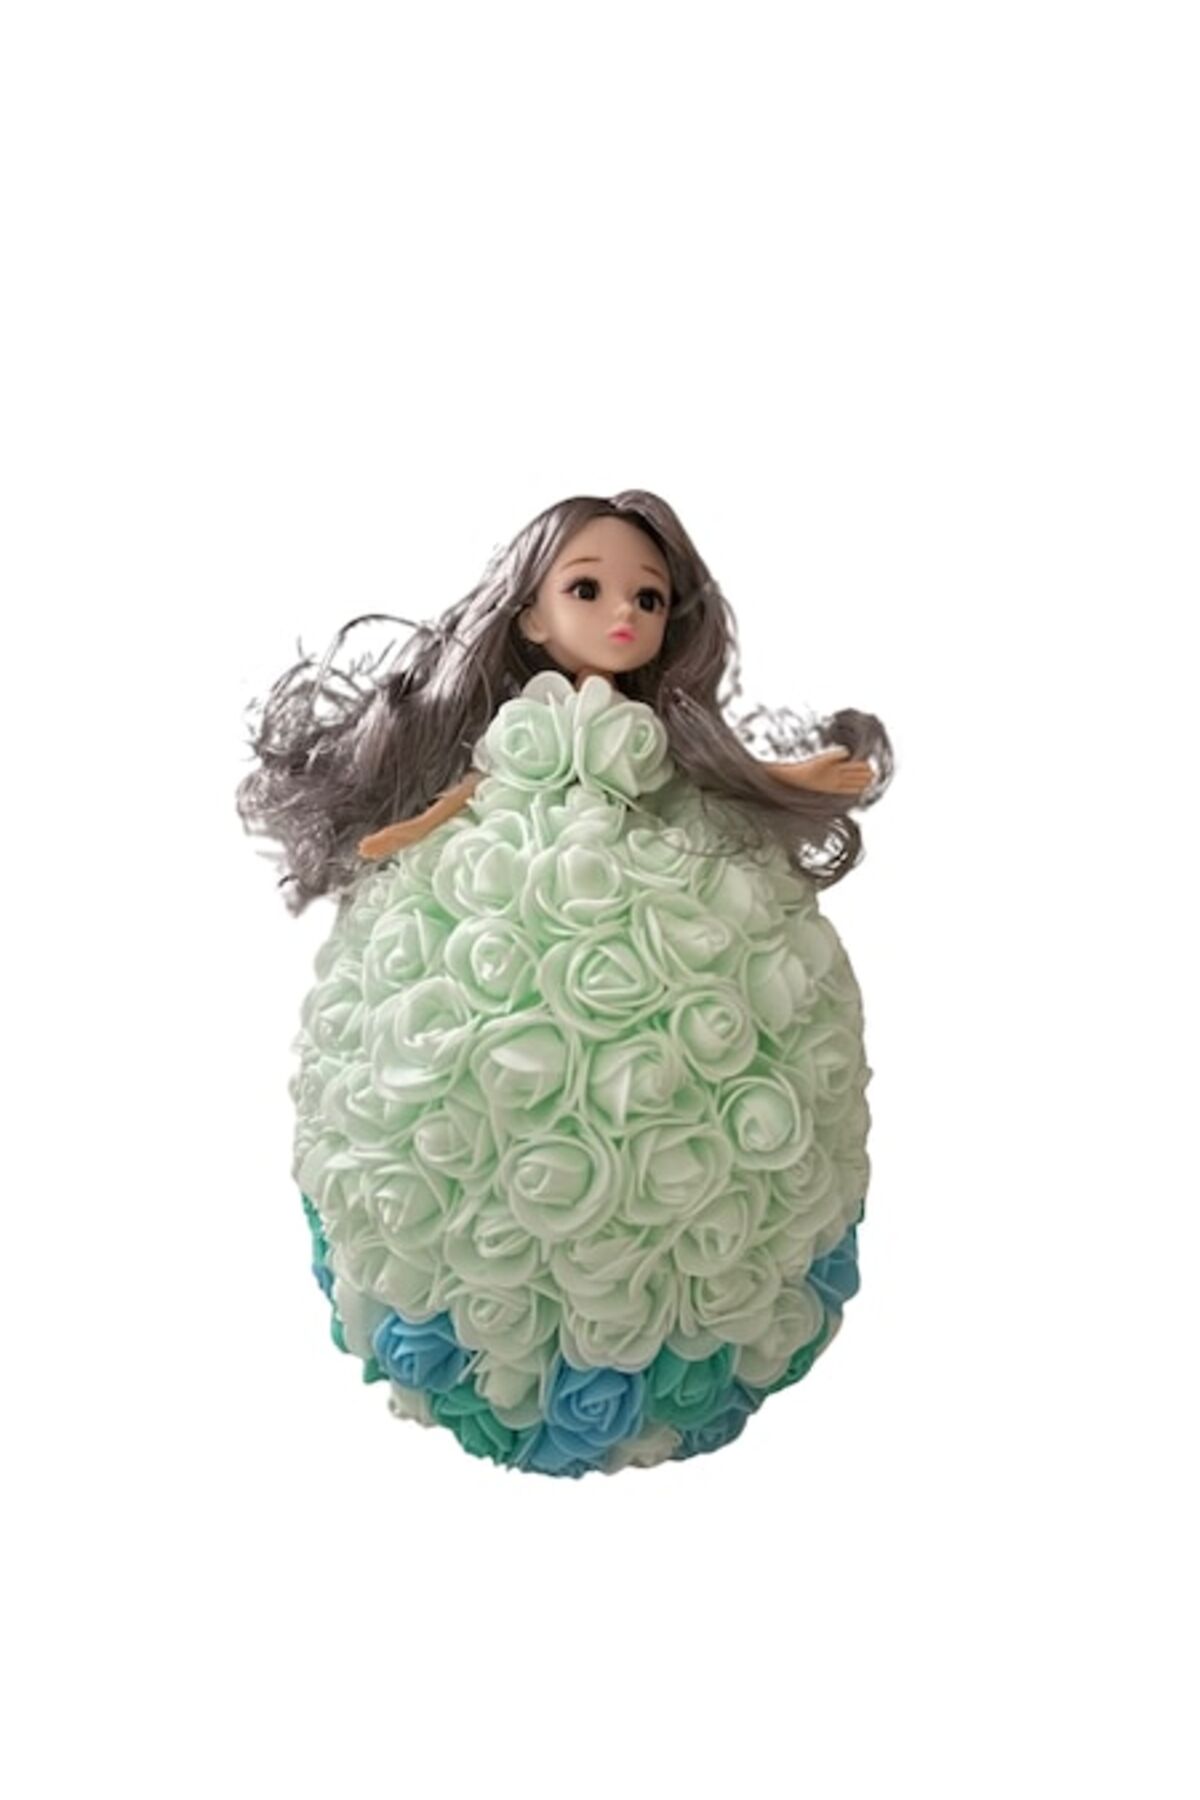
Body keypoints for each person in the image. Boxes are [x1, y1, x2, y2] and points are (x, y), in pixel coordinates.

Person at [238, 490, 892, 1477]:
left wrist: (802, 780)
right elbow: (454, 801)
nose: (622, 612)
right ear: (531, 616)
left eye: (648, 597)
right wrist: (402, 837)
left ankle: (690, 1322)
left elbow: (728, 772)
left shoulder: (665, 747)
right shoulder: (513, 741)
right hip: (497, 875)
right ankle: (491, 1337)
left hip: (671, 877)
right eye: (587, 589)